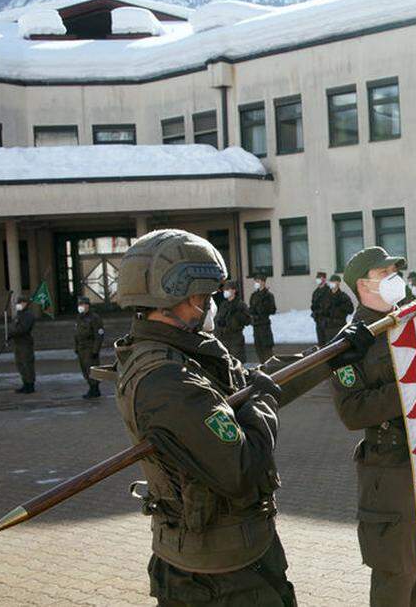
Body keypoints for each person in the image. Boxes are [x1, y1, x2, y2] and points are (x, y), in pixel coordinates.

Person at [112, 229, 295, 606]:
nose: (211, 305)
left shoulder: (181, 353)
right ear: (186, 298)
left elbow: (244, 386)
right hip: (221, 578)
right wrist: (263, 404)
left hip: (230, 558)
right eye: (207, 296)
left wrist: (332, 356)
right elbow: (241, 468)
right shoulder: (168, 380)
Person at [333, 246, 416, 606]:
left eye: (395, 271)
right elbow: (352, 412)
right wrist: (411, 384)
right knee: (397, 575)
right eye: (383, 273)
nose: (394, 279)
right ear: (362, 284)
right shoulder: (348, 344)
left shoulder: (412, 320)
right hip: (389, 469)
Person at [75, 296, 105, 399]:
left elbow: (99, 335)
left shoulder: (94, 318)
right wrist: (76, 347)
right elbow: (77, 334)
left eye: (82, 304)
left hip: (90, 347)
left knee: (92, 369)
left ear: (87, 305)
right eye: (79, 305)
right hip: (81, 348)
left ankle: (94, 389)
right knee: (85, 369)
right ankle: (91, 387)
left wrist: (95, 350)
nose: (80, 307)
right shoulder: (80, 317)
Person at [215, 282, 253, 362]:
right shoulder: (223, 304)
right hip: (223, 338)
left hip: (235, 339)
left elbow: (248, 320)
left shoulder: (240, 304)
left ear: (234, 290)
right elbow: (218, 319)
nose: (225, 291)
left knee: (237, 362)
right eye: (224, 289)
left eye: (227, 289)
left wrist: (237, 314)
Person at [10, 295, 37, 394]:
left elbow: (24, 328)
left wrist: (13, 332)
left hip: (25, 342)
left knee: (27, 363)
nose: (18, 305)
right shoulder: (19, 315)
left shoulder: (28, 315)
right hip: (18, 342)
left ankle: (30, 384)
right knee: (20, 363)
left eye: (20, 303)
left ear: (25, 304)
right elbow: (14, 326)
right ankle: (25, 383)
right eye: (18, 303)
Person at [248, 274, 276, 363]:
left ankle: (271, 369)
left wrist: (262, 308)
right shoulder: (254, 295)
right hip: (256, 325)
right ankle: (263, 367)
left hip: (264, 325)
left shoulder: (268, 295)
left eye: (258, 281)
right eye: (255, 281)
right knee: (258, 348)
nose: (256, 283)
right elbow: (251, 309)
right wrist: (252, 315)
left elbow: (272, 309)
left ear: (263, 282)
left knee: (267, 349)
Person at [310, 272, 332, 345]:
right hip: (318, 321)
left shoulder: (329, 291)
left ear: (324, 279)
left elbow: (329, 306)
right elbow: (313, 306)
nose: (318, 280)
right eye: (317, 278)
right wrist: (315, 313)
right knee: (321, 343)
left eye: (320, 278)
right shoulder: (316, 292)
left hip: (327, 322)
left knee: (328, 344)